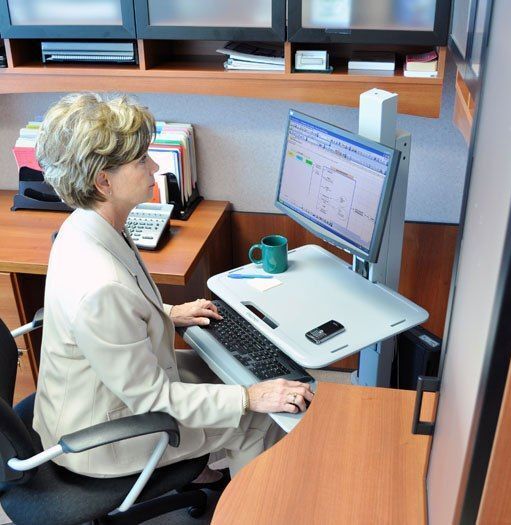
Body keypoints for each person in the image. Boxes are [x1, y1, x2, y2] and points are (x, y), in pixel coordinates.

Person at [32, 93, 313, 480]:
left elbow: (116, 316)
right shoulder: (100, 287)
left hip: (100, 394)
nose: (154, 166)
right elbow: (153, 398)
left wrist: (168, 313)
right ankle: (250, 504)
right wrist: (251, 398)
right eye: (141, 160)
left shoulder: (84, 226)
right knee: (260, 416)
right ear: (103, 181)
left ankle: (206, 466)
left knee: (227, 374)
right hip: (102, 437)